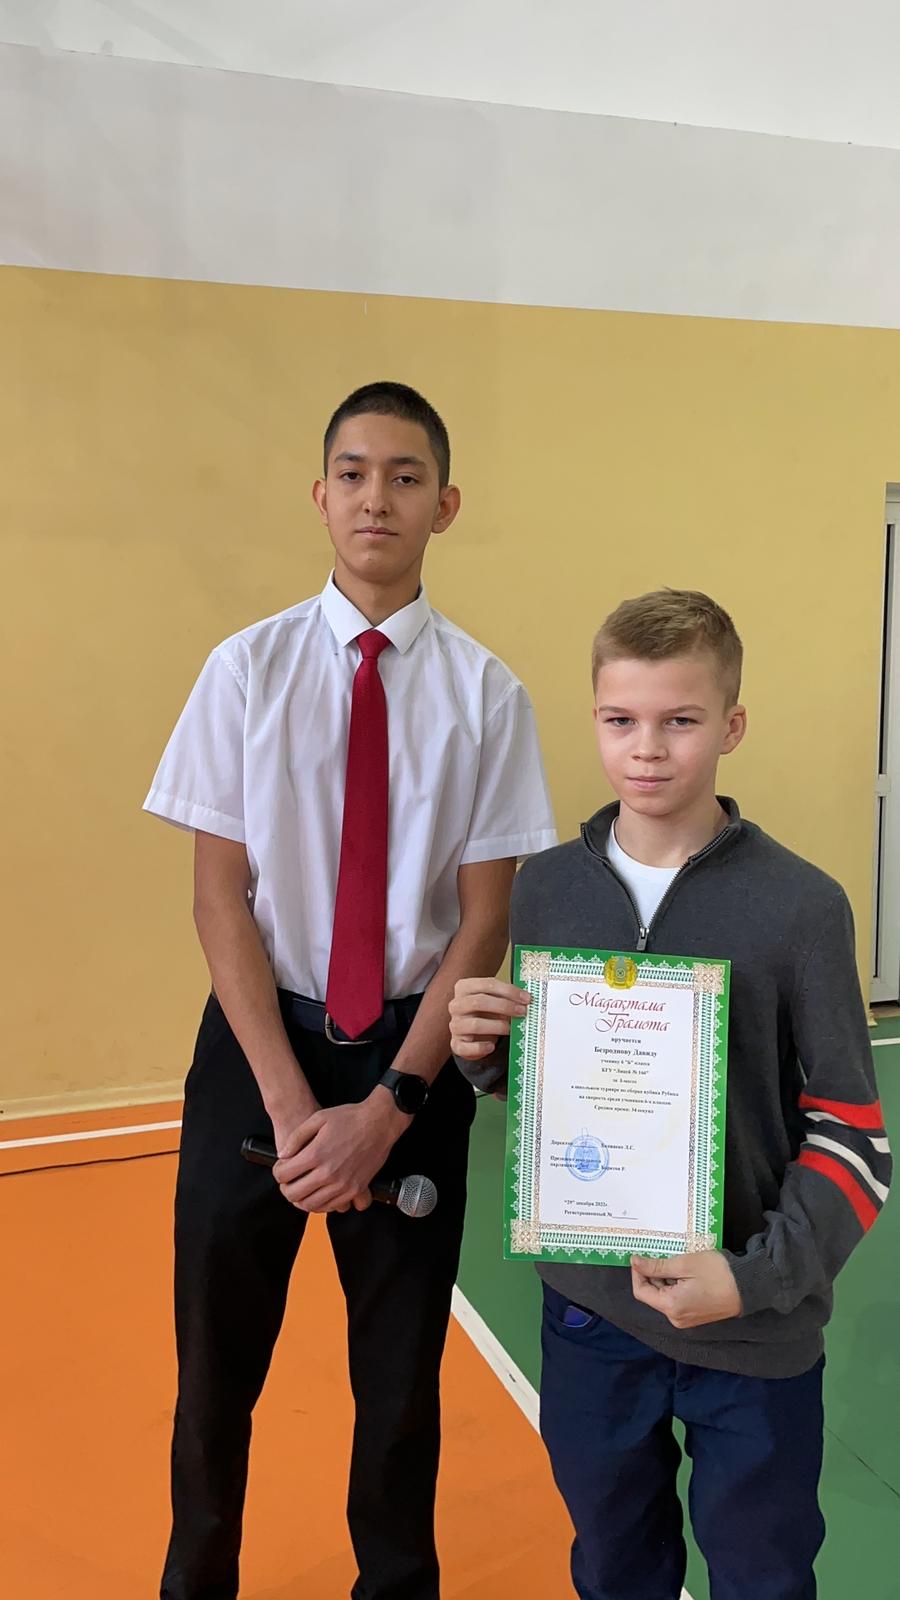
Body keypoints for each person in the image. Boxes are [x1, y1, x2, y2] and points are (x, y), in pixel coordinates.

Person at [144, 380, 556, 1600]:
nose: (379, 497)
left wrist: (387, 1108)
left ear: (446, 505)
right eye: (356, 473)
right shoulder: (244, 670)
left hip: (411, 1060)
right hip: (257, 1050)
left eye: (407, 477)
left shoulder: (489, 697)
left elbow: (484, 921)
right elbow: (220, 899)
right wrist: (289, 1107)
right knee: (215, 1369)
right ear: (320, 495)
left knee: (398, 1379)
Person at [450, 588, 891, 1600]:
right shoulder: (548, 888)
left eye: (680, 720)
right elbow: (565, 1090)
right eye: (621, 719)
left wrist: (755, 1277)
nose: (646, 749)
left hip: (750, 1321)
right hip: (590, 1315)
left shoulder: (802, 905)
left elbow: (855, 1136)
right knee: (614, 1565)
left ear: (731, 725)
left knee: (763, 1575)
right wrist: (489, 1054)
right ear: (595, 719)